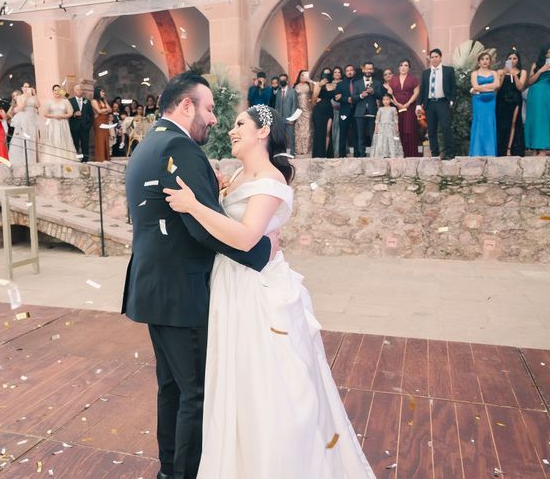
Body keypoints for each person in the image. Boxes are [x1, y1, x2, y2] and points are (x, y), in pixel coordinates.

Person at [160, 102, 376, 479]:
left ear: (262, 131)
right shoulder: (240, 175)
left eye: (240, 123)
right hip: (231, 282)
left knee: (263, 383)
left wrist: (193, 206)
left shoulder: (271, 181)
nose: (231, 129)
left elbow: (245, 239)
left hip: (256, 290)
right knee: (236, 380)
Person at [121, 72, 274, 479]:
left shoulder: (147, 145)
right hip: (182, 292)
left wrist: (211, 190)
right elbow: (200, 227)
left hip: (155, 287)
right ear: (185, 106)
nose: (213, 119)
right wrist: (262, 252)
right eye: (208, 109)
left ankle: (169, 470)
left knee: (172, 387)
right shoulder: (179, 147)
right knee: (196, 394)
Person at [417, 48, 457, 160]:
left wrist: (452, 101)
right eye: (432, 57)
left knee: (446, 127)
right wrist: (418, 104)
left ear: (440, 57)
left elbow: (453, 87)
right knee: (431, 130)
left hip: (443, 102)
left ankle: (450, 153)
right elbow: (423, 90)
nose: (434, 59)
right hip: (430, 104)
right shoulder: (426, 73)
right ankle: (435, 153)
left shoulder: (448, 70)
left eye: (436, 57)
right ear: (429, 59)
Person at [525, 44, 550, 156]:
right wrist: (541, 70)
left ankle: (542, 149)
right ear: (543, 54)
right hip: (534, 93)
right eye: (547, 52)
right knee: (533, 119)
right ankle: (533, 148)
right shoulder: (536, 65)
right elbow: (530, 81)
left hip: (547, 92)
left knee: (544, 119)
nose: (549, 55)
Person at [495, 51, 527, 156]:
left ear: (518, 60)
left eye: (514, 58)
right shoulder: (500, 71)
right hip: (502, 100)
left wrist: (515, 75)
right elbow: (498, 87)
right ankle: (502, 148)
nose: (512, 61)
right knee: (502, 124)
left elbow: (520, 87)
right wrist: (504, 73)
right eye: (510, 58)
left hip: (515, 100)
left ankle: (510, 148)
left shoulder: (522, 72)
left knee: (514, 123)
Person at [352, 62, 386, 158]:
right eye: (367, 69)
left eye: (370, 69)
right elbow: (353, 98)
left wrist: (374, 92)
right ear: (363, 70)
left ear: (373, 70)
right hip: (359, 113)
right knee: (360, 136)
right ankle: (362, 157)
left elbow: (381, 96)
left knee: (373, 136)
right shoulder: (357, 83)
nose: (369, 71)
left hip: (372, 112)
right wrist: (361, 95)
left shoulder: (378, 82)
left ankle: (374, 156)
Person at [388, 59, 421, 157]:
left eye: (406, 65)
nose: (403, 67)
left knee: (409, 130)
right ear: (398, 68)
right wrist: (396, 103)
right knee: (398, 129)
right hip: (396, 108)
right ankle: (397, 154)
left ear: (409, 68)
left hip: (409, 108)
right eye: (401, 65)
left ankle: (410, 154)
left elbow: (416, 92)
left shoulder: (413, 79)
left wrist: (408, 103)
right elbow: (390, 93)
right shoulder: (393, 79)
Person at [469, 52, 500, 156]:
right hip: (478, 100)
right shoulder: (475, 73)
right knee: (479, 122)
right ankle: (477, 152)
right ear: (479, 62)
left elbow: (497, 85)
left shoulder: (494, 73)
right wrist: (489, 87)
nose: (485, 61)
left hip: (491, 101)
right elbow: (475, 86)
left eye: (487, 59)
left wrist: (483, 87)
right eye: (482, 59)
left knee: (489, 122)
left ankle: (490, 152)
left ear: (490, 61)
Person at [40, 84, 79, 163]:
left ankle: (66, 158)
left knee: (64, 139)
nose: (56, 92)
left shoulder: (65, 101)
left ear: (61, 91)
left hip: (63, 123)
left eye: (58, 90)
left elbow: (70, 113)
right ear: (52, 91)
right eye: (55, 90)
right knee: (54, 139)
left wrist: (62, 116)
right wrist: (54, 116)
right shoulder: (49, 101)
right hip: (53, 124)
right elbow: (45, 113)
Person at [9, 84, 40, 167]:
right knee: (25, 139)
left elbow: (38, 105)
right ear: (22, 88)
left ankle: (33, 160)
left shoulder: (32, 97)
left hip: (33, 119)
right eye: (25, 87)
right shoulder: (20, 97)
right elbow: (21, 108)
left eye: (28, 86)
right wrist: (26, 97)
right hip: (24, 120)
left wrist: (34, 94)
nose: (27, 88)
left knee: (33, 138)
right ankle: (26, 160)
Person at [311, 68, 336, 158]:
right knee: (319, 132)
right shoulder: (318, 84)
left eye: (328, 74)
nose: (326, 76)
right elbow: (314, 99)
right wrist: (321, 85)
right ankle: (319, 155)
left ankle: (326, 154)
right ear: (322, 75)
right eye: (325, 74)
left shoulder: (333, 85)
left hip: (329, 109)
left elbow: (336, 98)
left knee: (328, 131)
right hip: (319, 111)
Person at [334, 64, 357, 158]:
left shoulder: (359, 82)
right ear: (345, 72)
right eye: (347, 70)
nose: (350, 72)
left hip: (357, 111)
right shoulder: (340, 84)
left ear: (354, 72)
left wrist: (347, 98)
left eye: (351, 70)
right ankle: (342, 155)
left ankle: (358, 154)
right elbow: (336, 98)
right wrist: (346, 99)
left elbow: (360, 96)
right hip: (344, 111)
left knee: (357, 133)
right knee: (343, 133)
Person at [371, 94, 404, 158]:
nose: (385, 101)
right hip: (382, 127)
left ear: (390, 100)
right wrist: (376, 128)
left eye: (387, 99)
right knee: (381, 140)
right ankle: (382, 154)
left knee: (391, 140)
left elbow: (395, 119)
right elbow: (377, 120)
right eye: (384, 100)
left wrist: (397, 127)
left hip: (391, 127)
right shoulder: (380, 109)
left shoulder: (393, 109)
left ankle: (392, 154)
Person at [67, 84, 93, 161]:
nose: (79, 91)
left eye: (81, 89)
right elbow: (67, 114)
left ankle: (85, 159)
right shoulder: (70, 101)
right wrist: (74, 114)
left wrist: (89, 126)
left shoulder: (87, 101)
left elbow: (91, 115)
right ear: (74, 91)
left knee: (85, 144)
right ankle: (77, 159)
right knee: (75, 144)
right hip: (74, 126)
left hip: (85, 127)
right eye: (77, 89)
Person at [293, 70, 313, 155]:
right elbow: (293, 99)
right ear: (299, 76)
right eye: (302, 75)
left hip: (308, 109)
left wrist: (309, 81)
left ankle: (307, 150)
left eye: (305, 75)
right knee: (298, 130)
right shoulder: (295, 86)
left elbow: (313, 92)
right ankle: (299, 150)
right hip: (298, 110)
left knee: (308, 129)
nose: (303, 77)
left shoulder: (309, 85)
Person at [276, 73, 298, 154]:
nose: (282, 81)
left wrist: (292, 119)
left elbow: (294, 105)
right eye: (280, 80)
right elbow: (277, 106)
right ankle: (283, 153)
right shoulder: (278, 92)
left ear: (287, 81)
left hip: (289, 118)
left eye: (284, 80)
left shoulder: (292, 91)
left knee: (291, 137)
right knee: (281, 137)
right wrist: (277, 118)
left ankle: (292, 153)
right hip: (280, 119)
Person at [92, 87, 112, 162]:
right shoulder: (94, 101)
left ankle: (106, 157)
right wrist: (105, 110)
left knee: (106, 137)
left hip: (105, 120)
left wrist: (105, 110)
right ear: (98, 92)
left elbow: (110, 109)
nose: (104, 93)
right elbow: (99, 111)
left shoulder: (104, 100)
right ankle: (100, 157)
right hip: (98, 121)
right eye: (102, 92)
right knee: (100, 138)